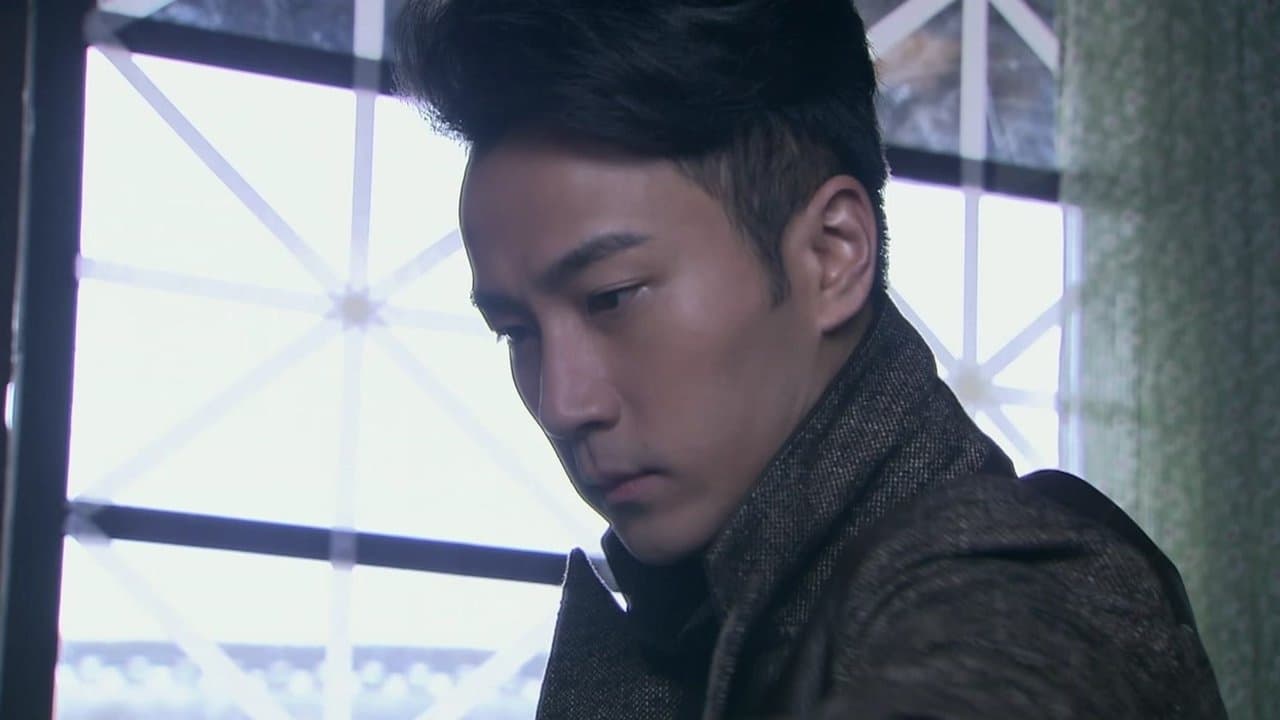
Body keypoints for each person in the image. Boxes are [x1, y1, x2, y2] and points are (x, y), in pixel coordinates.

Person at [393, 1, 1227, 717]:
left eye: (612, 297)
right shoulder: (711, 617)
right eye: (517, 332)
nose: (561, 403)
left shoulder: (1006, 604)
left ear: (832, 256)